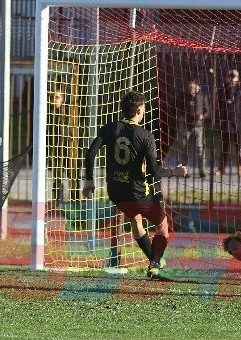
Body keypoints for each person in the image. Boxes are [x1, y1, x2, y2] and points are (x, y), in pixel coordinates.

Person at [81, 90, 189, 280]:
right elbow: (155, 172)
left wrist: (89, 181)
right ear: (139, 111)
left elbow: (90, 154)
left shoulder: (110, 128)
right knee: (162, 226)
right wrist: (176, 172)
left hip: (115, 192)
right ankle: (154, 265)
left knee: (136, 221)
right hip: (138, 193)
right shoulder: (145, 136)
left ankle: (154, 259)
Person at [214, 70, 241, 177]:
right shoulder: (222, 90)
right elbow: (218, 105)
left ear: (238, 78)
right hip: (225, 122)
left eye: (233, 77)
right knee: (224, 146)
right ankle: (221, 168)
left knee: (240, 147)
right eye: (230, 77)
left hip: (238, 123)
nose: (231, 79)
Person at [177, 78, 209, 177]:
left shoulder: (203, 96)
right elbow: (179, 108)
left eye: (194, 85)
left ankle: (202, 171)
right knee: (184, 149)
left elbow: (208, 111)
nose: (192, 87)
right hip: (186, 126)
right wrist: (182, 117)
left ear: (198, 86)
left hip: (199, 126)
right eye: (190, 85)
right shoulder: (184, 95)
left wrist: (203, 116)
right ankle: (184, 171)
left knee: (200, 149)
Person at [47, 89, 75, 204]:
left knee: (72, 176)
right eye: (53, 97)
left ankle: (74, 201)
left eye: (58, 97)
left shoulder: (68, 113)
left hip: (67, 150)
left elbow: (72, 131)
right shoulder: (49, 114)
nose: (55, 100)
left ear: (63, 99)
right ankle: (57, 201)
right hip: (54, 151)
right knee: (57, 177)